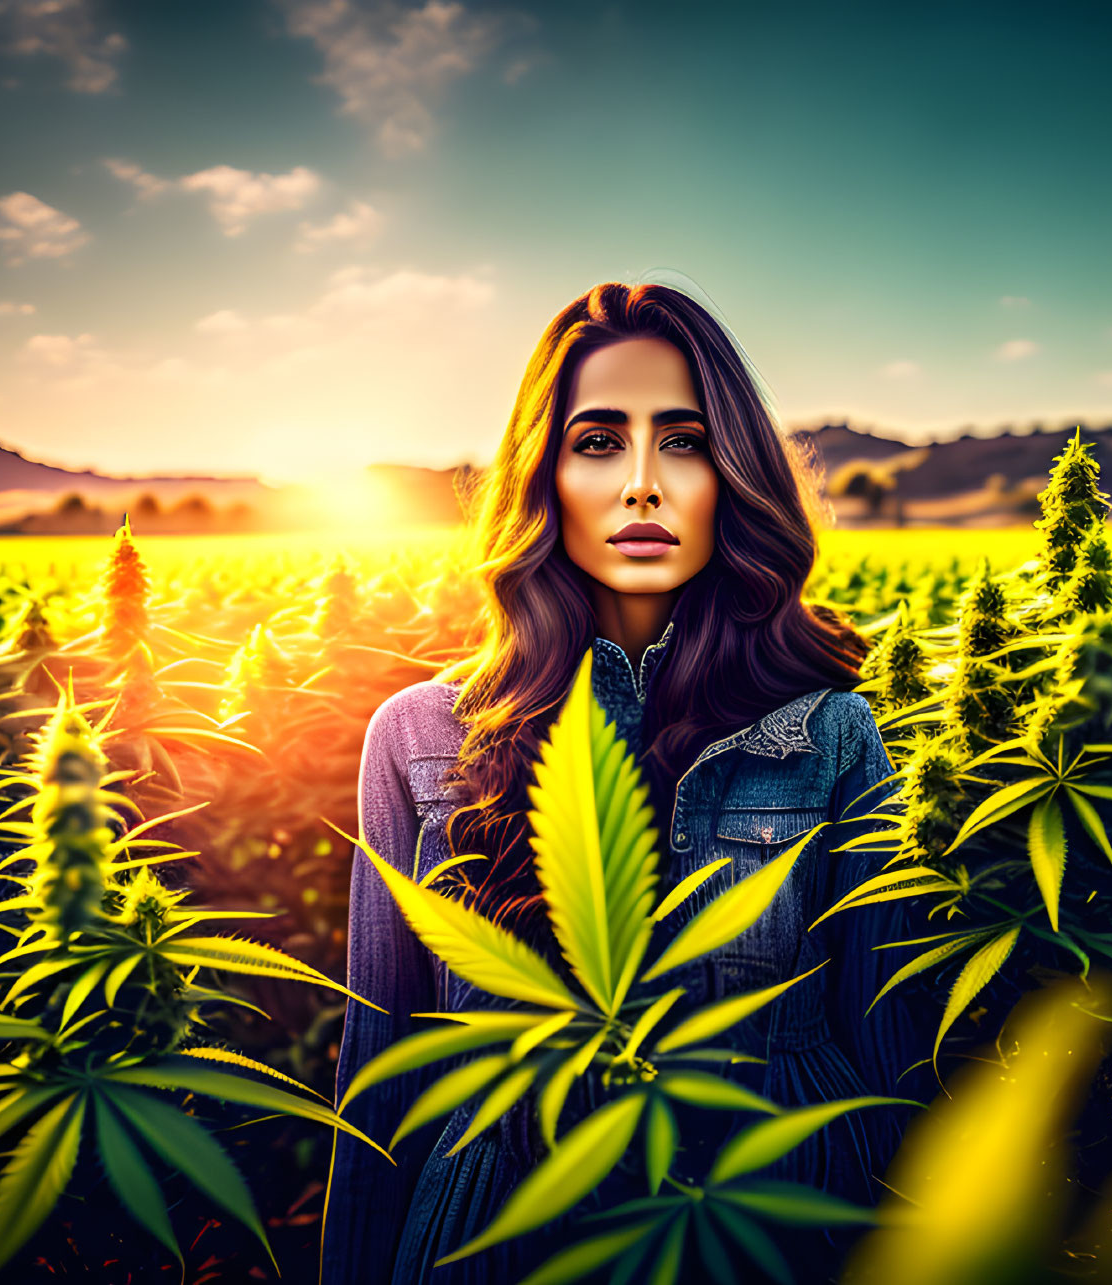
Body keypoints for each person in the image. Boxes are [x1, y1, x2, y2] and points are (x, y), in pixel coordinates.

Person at [321, 282, 917, 1285]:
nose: (643, 483)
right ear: (543, 475)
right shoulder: (420, 740)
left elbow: (891, 1059)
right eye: (598, 441)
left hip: (775, 1216)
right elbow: (376, 1078)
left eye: (683, 441)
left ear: (733, 475)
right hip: (498, 1231)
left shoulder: (832, 734)